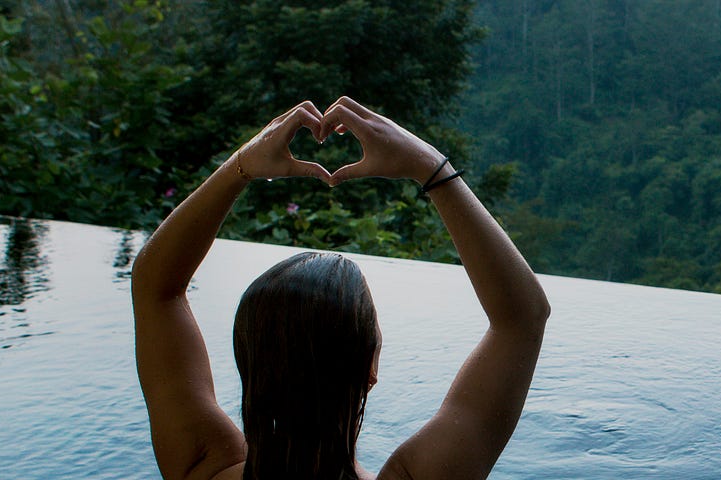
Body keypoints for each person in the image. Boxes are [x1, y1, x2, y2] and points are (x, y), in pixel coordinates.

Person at [131, 96, 551, 480]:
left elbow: (155, 286)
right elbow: (521, 319)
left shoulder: (200, 465)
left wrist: (241, 166)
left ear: (249, 366)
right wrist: (430, 166)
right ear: (370, 369)